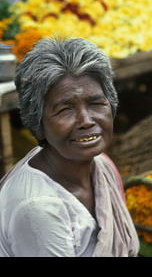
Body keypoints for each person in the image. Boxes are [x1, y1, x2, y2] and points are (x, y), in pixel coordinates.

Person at [0, 36, 139, 256]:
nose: (86, 120)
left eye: (96, 104)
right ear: (38, 126)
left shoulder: (102, 166)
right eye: (65, 109)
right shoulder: (38, 209)